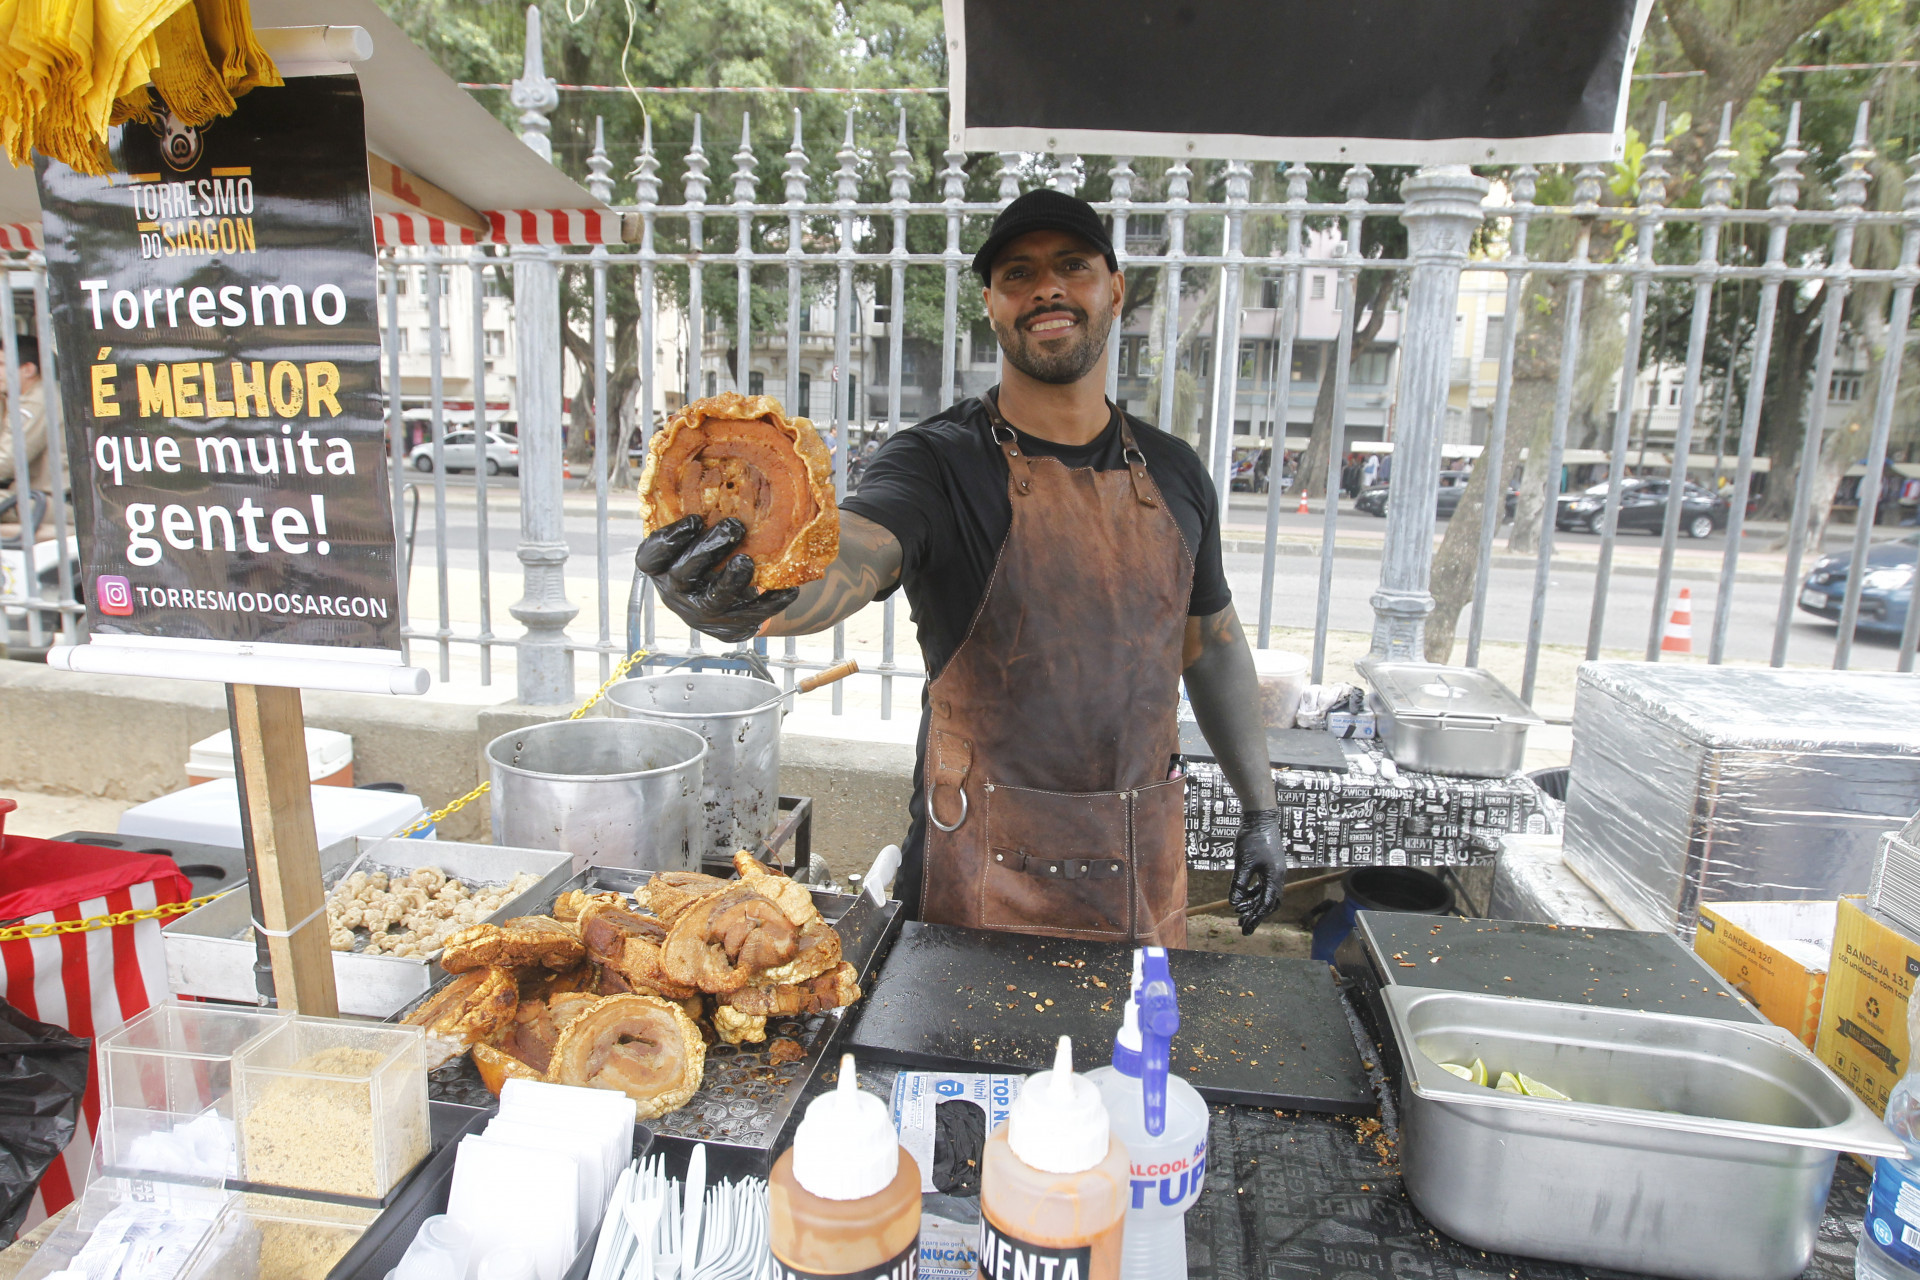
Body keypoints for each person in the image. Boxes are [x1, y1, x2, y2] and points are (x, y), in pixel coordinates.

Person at [637, 189, 1286, 943]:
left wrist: (1262, 811)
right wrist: (749, 596)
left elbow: (1212, 646)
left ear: (1114, 289)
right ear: (991, 305)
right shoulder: (935, 463)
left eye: (1072, 266)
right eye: (1018, 274)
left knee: (1140, 1031)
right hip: (974, 877)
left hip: (1141, 876)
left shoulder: (1176, 473)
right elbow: (854, 549)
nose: (1046, 288)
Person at [0, 335, 50, 537]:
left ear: (28, 369)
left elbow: (7, 461)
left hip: (45, 500)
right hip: (26, 495)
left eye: (2, 365)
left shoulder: (39, 401)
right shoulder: (16, 398)